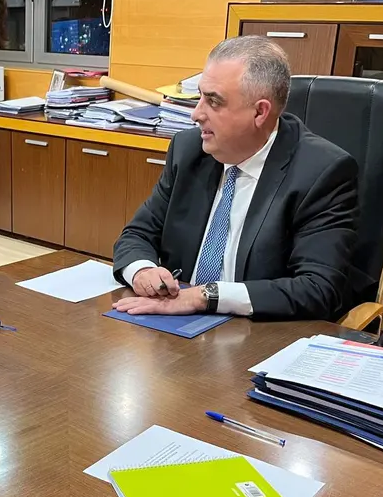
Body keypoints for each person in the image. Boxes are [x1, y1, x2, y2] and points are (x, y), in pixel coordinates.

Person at [111, 36, 359, 321]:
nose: (195, 114)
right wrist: (142, 271)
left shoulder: (321, 171)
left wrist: (206, 297)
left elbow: (318, 288)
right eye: (199, 96)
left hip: (257, 335)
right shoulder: (189, 150)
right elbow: (137, 234)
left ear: (260, 112)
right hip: (173, 325)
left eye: (213, 101)